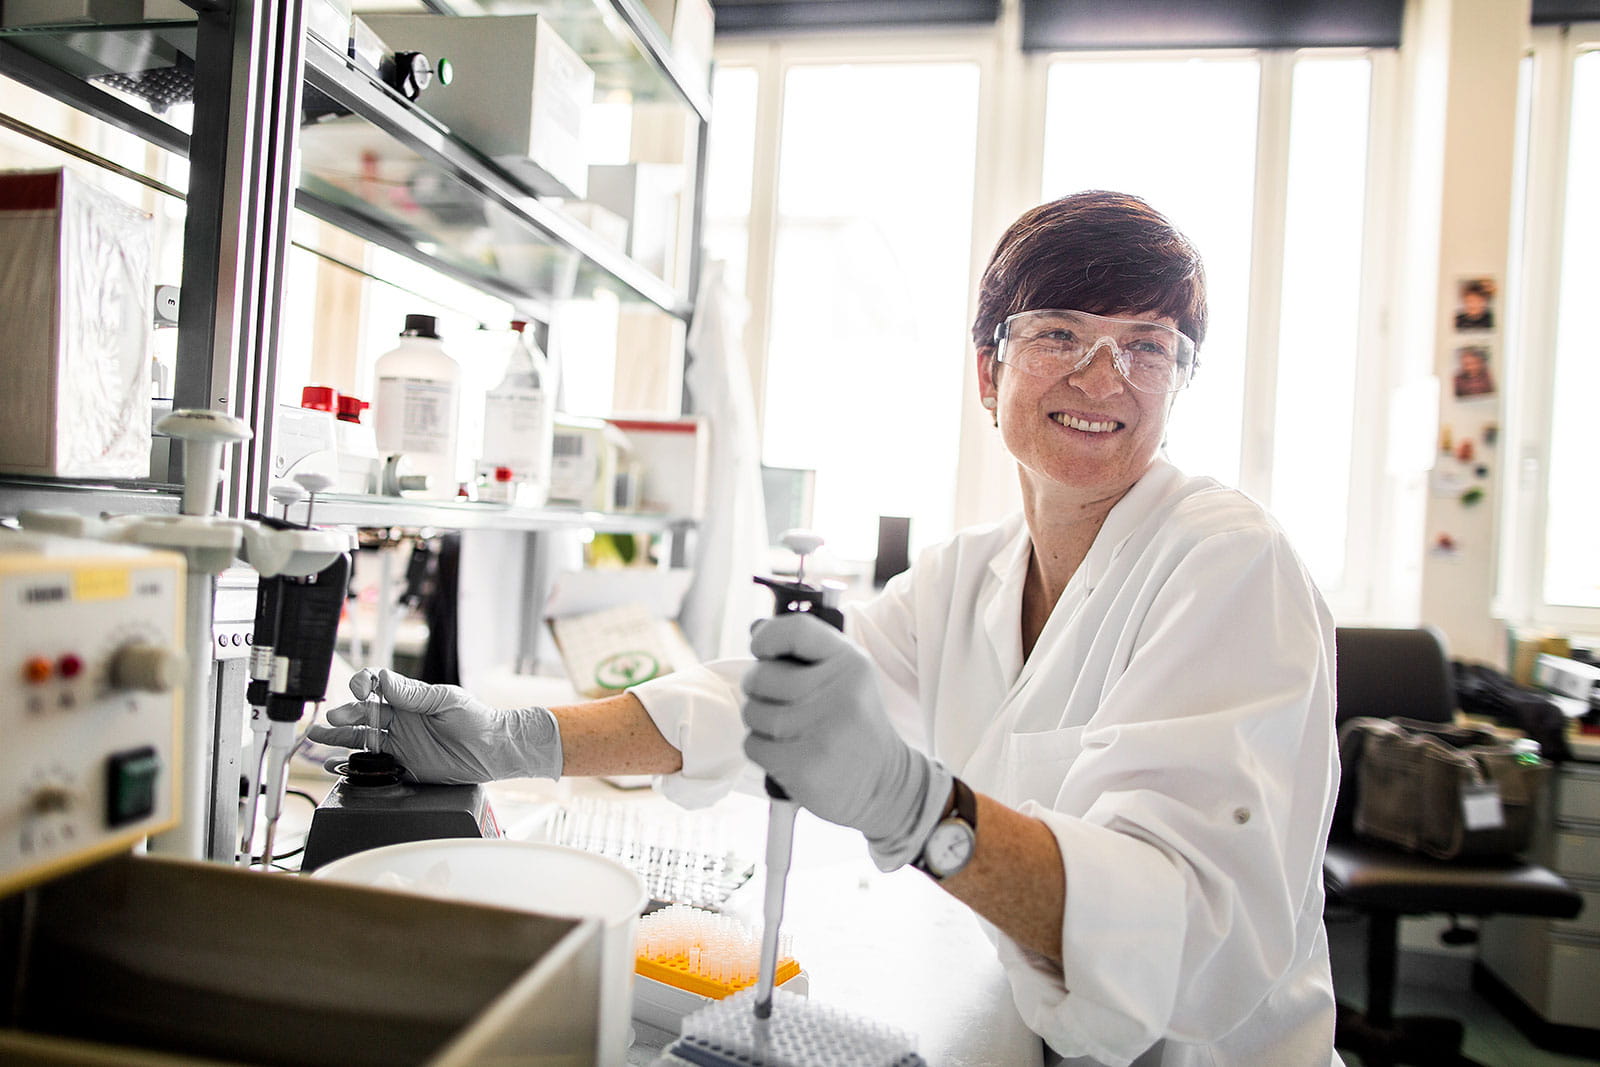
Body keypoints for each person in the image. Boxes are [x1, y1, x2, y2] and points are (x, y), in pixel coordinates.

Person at [310, 191, 1340, 1066]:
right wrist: (515, 740)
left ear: (1178, 383)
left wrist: (916, 804)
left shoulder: (1228, 559)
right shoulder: (968, 572)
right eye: (1060, 333)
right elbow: (752, 700)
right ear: (987, 374)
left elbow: (1186, 936)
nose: (1102, 376)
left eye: (1145, 349)